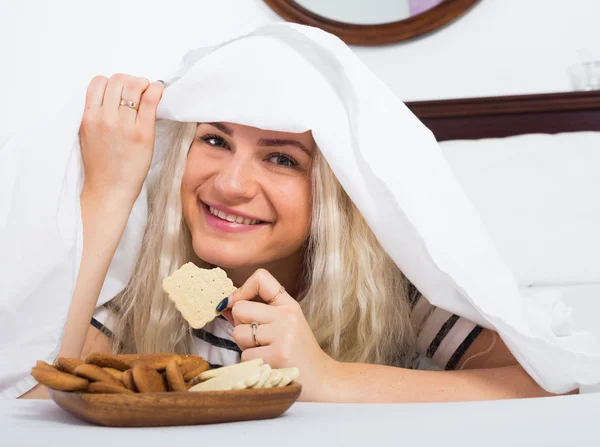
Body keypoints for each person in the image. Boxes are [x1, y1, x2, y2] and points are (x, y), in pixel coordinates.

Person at [18, 71, 572, 403]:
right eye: (214, 140)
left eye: (282, 158)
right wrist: (109, 194)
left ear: (336, 192)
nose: (230, 184)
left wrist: (329, 377)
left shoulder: (396, 295)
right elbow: (38, 402)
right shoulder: (155, 286)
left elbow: (548, 383)